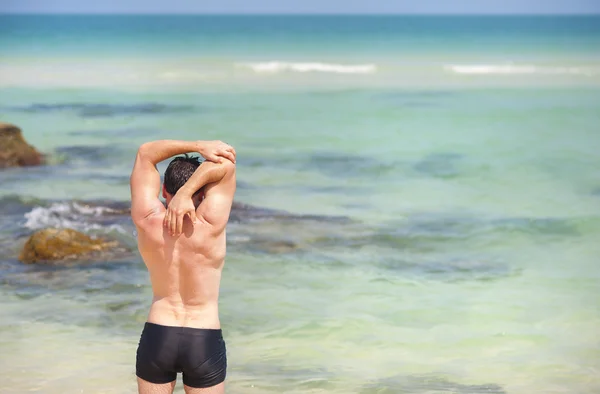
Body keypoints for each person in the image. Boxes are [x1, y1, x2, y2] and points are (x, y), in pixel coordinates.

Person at [129, 139, 237, 394]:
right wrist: (188, 192)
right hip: (204, 335)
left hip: (158, 335)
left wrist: (198, 145)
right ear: (203, 193)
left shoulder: (147, 219)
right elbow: (226, 166)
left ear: (163, 188)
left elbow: (146, 153)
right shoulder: (211, 223)